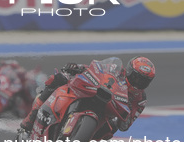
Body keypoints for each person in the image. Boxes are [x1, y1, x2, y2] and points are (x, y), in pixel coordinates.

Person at [20, 57, 155, 136]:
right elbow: (96, 68)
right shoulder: (116, 69)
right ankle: (31, 117)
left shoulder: (140, 99)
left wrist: (125, 114)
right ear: (129, 71)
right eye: (136, 78)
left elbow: (125, 126)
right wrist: (77, 67)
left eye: (143, 81)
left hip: (108, 113)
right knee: (59, 78)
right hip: (95, 92)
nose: (138, 83)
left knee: (111, 128)